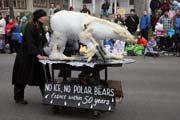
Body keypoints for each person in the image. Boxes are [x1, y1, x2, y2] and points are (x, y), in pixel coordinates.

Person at [12, 9, 50, 104]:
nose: (46, 18)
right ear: (38, 18)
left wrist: (51, 50)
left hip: (36, 56)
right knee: (22, 77)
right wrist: (38, 55)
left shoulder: (40, 27)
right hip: (26, 56)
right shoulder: (30, 26)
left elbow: (44, 42)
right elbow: (30, 43)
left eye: (45, 16)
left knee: (43, 76)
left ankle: (47, 97)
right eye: (43, 16)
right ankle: (19, 97)